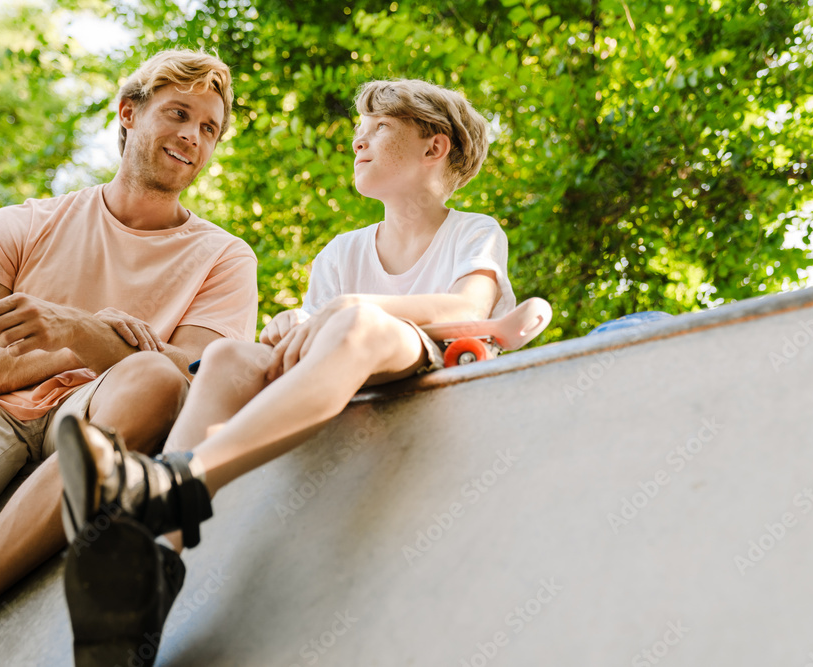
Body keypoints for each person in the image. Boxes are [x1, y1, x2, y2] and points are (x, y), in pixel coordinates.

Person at [0, 49, 256, 666]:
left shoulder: (225, 258)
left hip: (101, 406)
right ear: (128, 114)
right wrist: (68, 342)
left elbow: (189, 374)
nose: (193, 136)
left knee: (153, 379)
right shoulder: (21, 225)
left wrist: (77, 332)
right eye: (178, 113)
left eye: (209, 128)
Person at [58, 78, 516, 568]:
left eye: (380, 127)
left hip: (425, 355)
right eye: (360, 128)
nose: (359, 140)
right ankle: (151, 557)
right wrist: (294, 326)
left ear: (435, 146)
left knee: (358, 322)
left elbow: (468, 309)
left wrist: (352, 308)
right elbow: (318, 332)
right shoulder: (342, 253)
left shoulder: (474, 231)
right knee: (230, 355)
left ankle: (179, 479)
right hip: (347, 360)